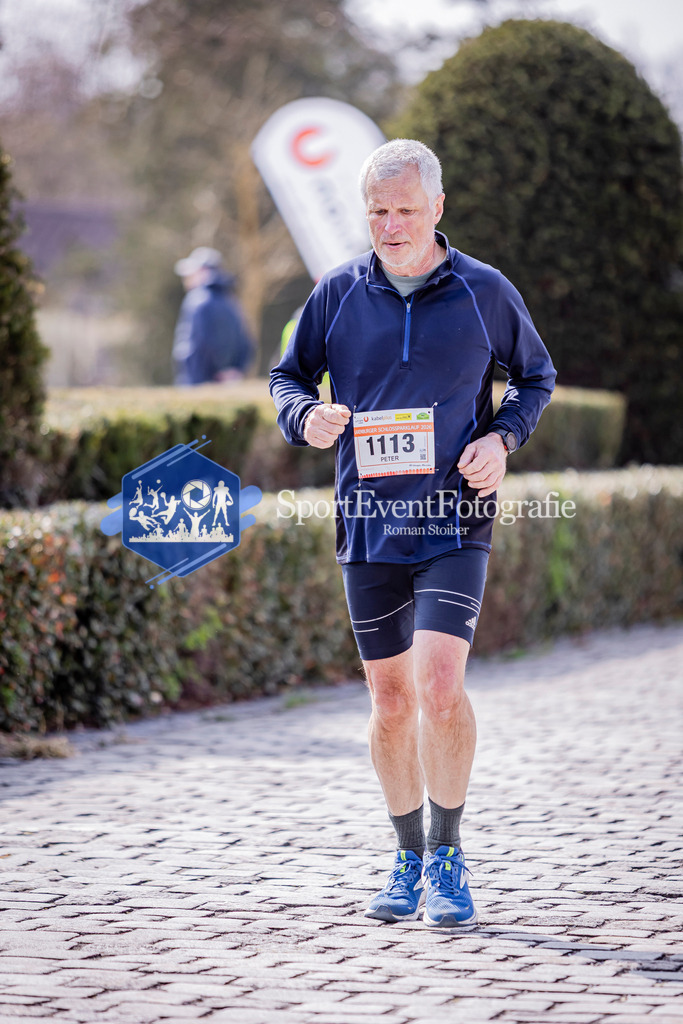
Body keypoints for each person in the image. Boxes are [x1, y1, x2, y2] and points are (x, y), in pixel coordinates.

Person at [269, 139, 556, 929]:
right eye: (376, 211)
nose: (390, 225)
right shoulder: (335, 293)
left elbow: (536, 375)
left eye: (403, 209)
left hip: (451, 517)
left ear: (436, 206)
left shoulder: (482, 293)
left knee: (436, 686)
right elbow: (286, 376)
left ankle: (449, 854)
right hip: (366, 522)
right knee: (391, 703)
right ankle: (405, 857)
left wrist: (500, 439)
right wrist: (307, 415)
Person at [172, 247, 254, 386]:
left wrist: (192, 383)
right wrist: (235, 371)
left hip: (199, 382)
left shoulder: (196, 300)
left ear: (203, 272)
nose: (186, 279)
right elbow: (246, 342)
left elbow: (192, 346)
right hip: (227, 383)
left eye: (191, 273)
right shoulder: (231, 300)